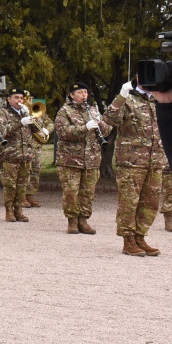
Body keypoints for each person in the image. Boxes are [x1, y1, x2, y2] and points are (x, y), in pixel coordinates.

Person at [102, 80, 167, 256]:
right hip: (131, 162)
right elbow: (109, 119)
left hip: (154, 161)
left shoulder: (157, 100)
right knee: (129, 202)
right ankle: (128, 240)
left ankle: (140, 236)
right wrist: (122, 95)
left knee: (151, 203)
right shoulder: (128, 100)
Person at [53, 82, 111, 235]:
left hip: (91, 158)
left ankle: (83, 220)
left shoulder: (93, 110)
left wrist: (100, 122)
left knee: (88, 192)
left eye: (85, 92)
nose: (84, 95)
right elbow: (63, 132)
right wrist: (84, 127)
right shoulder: (64, 111)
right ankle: (72, 221)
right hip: (70, 159)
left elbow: (107, 131)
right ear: (72, 95)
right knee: (71, 192)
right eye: (80, 92)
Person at [0, 87, 41, 223]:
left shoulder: (24, 112)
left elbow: (37, 129)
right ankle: (9, 211)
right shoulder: (2, 112)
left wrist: (34, 119)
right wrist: (19, 123)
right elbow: (2, 131)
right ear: (9, 99)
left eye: (21, 98)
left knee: (22, 185)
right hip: (11, 155)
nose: (19, 101)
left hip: (25, 155)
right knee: (10, 185)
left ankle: (19, 210)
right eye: (16, 98)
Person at [24, 91, 54, 208]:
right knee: (25, 173)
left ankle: (30, 195)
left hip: (36, 148)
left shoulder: (39, 111)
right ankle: (21, 196)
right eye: (27, 99)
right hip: (25, 147)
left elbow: (50, 123)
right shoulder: (22, 113)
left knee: (35, 172)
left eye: (32, 98)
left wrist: (46, 130)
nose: (30, 101)